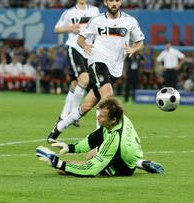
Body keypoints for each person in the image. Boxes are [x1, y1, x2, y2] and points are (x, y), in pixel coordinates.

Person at [47, 0, 144, 143]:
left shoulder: (130, 21)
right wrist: (85, 46)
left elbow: (140, 42)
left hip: (115, 68)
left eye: (117, 1)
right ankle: (100, 139)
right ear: (105, 2)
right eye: (111, 1)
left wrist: (133, 49)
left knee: (86, 106)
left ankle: (57, 129)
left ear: (120, 2)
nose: (114, 4)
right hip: (97, 62)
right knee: (108, 94)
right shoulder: (96, 20)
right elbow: (81, 38)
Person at [37, 97, 164, 177]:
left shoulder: (114, 142)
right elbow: (92, 140)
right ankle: (140, 163)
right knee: (91, 153)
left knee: (71, 166)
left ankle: (136, 164)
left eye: (102, 117)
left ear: (113, 119)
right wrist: (70, 148)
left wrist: (58, 163)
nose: (98, 118)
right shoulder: (122, 118)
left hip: (123, 167)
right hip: (130, 151)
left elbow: (90, 169)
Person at [54, 0, 99, 126]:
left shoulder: (94, 11)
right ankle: (74, 115)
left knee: (75, 84)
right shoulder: (69, 13)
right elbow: (57, 29)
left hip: (89, 49)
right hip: (75, 47)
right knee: (84, 80)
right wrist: (70, 28)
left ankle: (63, 116)